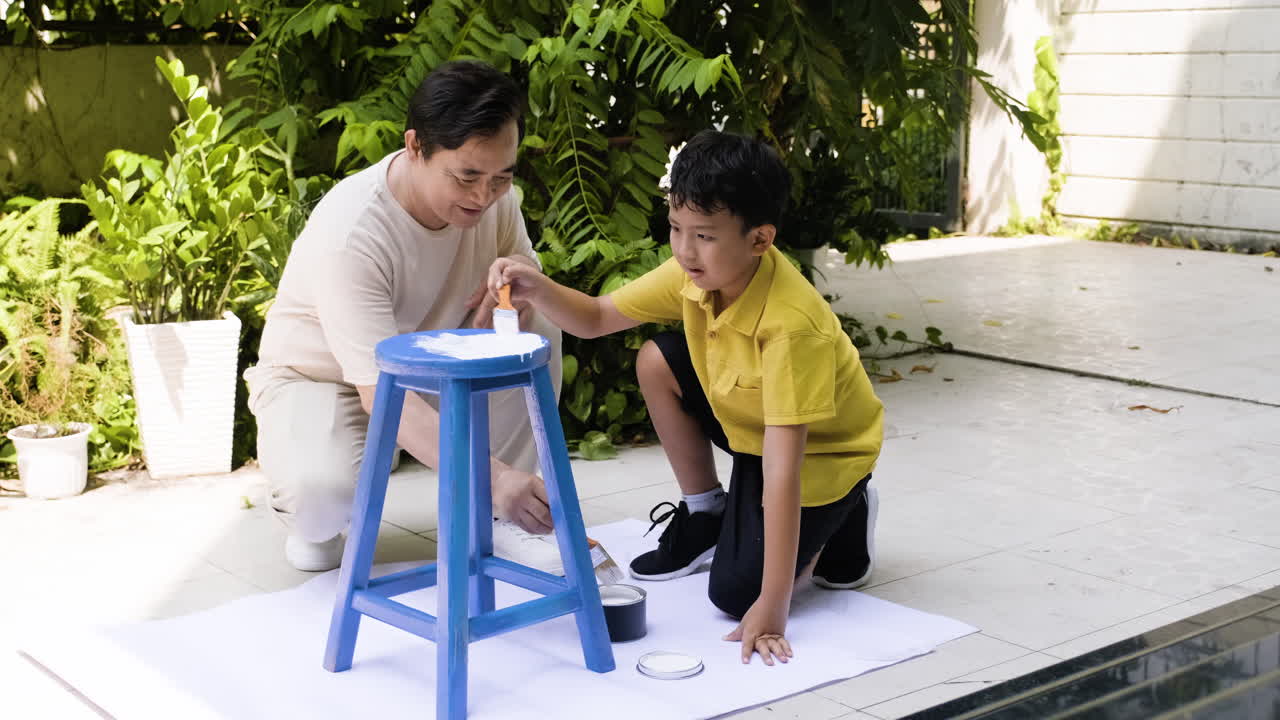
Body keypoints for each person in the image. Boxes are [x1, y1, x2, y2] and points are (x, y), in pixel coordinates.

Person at [486, 130, 884, 665]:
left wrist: (773, 603)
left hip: (818, 455)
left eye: (704, 236)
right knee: (658, 358)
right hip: (748, 421)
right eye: (676, 228)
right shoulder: (696, 272)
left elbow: (783, 472)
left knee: (735, 596)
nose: (684, 250)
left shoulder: (793, 327)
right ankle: (705, 512)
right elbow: (599, 316)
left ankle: (850, 509)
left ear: (760, 240)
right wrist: (535, 285)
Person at [244, 60, 562, 572]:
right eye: (466, 177)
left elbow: (522, 261)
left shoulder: (495, 198)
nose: (483, 196)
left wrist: (516, 282)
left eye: (501, 178)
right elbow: (380, 390)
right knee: (319, 507)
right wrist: (494, 477)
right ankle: (329, 494)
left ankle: (498, 519)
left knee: (537, 320)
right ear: (415, 147)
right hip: (326, 379)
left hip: (434, 357)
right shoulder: (354, 235)